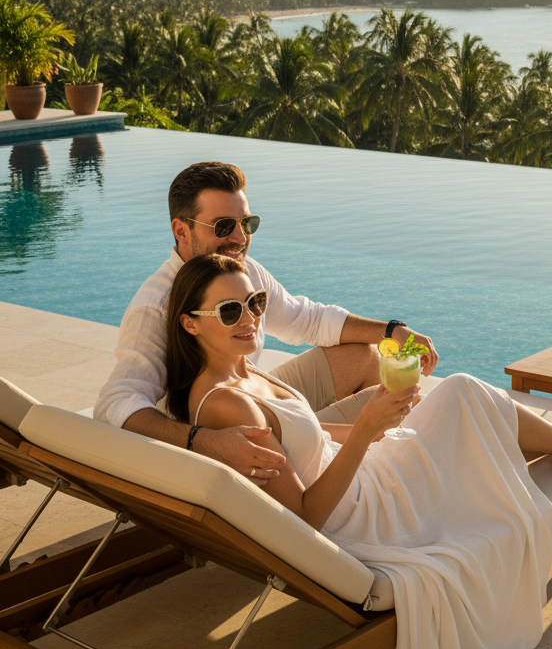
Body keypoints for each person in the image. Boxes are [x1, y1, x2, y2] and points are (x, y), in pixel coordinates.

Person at [168, 253, 552, 649]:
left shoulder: (246, 370)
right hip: (360, 515)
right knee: (463, 396)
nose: (249, 317)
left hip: (360, 471)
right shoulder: (228, 406)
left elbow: (310, 434)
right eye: (230, 311)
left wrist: (383, 430)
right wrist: (369, 429)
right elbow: (304, 517)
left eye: (255, 301)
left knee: (460, 396)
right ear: (191, 324)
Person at [94, 160, 438, 482]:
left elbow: (305, 319)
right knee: (411, 415)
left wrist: (392, 331)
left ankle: (371, 452)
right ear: (181, 231)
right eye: (223, 226)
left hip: (246, 393)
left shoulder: (242, 272)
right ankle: (369, 463)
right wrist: (207, 440)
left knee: (365, 356)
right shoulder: (156, 306)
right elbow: (116, 405)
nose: (241, 238)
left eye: (247, 223)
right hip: (223, 424)